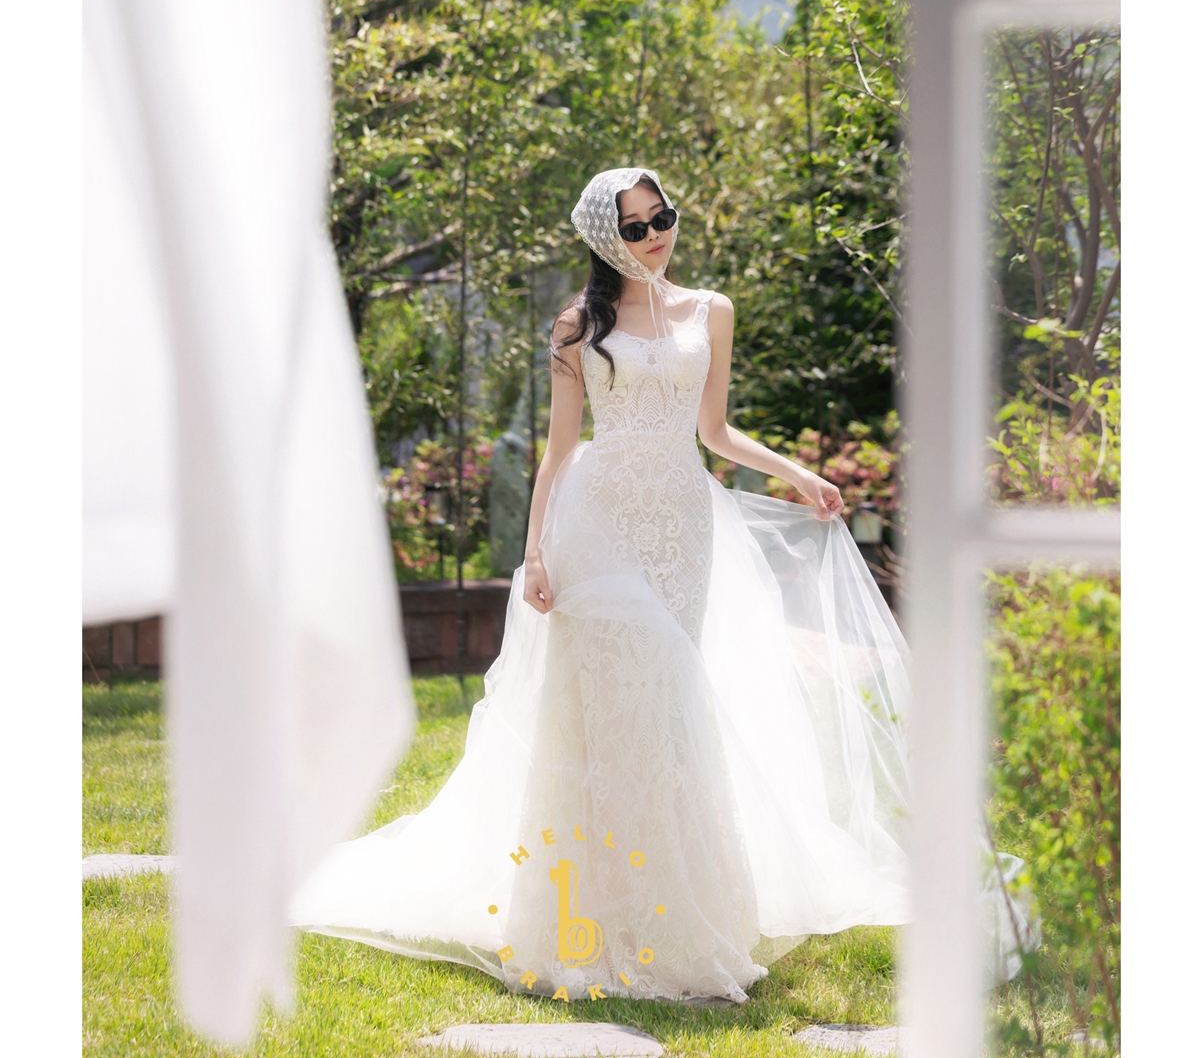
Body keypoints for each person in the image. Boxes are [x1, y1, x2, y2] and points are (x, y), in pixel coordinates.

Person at [291, 166, 1035, 1001]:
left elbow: (714, 430)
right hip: (595, 523)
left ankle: (673, 911)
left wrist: (798, 475)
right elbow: (558, 453)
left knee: (668, 711)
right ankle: (583, 920)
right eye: (635, 226)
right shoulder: (576, 327)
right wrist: (536, 554)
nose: (655, 237)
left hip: (682, 525)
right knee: (615, 706)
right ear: (605, 238)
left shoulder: (711, 310)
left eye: (663, 217)